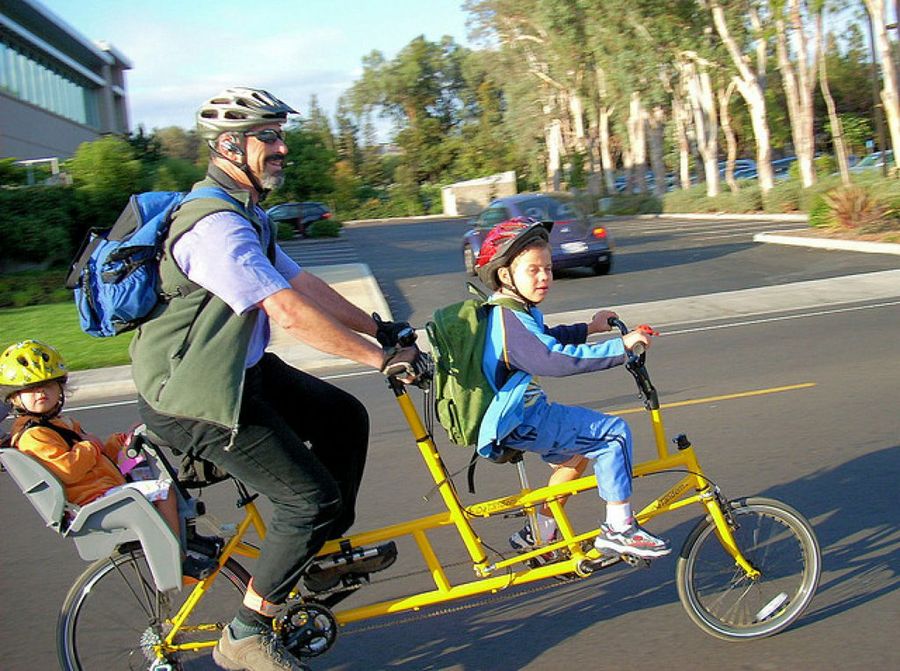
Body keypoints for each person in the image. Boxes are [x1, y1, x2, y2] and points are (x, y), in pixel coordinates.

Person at [129, 87, 427, 671]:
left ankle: (306, 557)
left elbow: (302, 285)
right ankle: (243, 634)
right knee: (308, 499)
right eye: (268, 136)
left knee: (344, 418)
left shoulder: (246, 214)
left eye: (279, 134)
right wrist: (376, 360)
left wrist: (380, 329)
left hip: (239, 373)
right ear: (229, 146)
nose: (281, 146)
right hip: (197, 398)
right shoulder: (214, 228)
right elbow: (285, 312)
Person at [474, 218, 671, 563]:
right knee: (613, 435)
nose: (544, 277)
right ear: (505, 275)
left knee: (576, 455)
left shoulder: (515, 311)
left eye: (548, 268)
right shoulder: (508, 320)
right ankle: (619, 529)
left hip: (518, 415)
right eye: (533, 270)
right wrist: (620, 347)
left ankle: (540, 532)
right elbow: (552, 359)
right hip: (522, 417)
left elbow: (546, 338)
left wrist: (590, 329)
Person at [0, 340, 216, 580]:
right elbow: (70, 469)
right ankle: (179, 559)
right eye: (31, 388)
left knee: (156, 472)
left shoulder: (55, 425)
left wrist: (118, 443)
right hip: (92, 500)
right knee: (163, 491)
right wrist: (91, 445)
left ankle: (187, 536)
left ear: (60, 388)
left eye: (48, 385)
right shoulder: (34, 435)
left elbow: (95, 458)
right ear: (14, 397)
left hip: (100, 491)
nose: (41, 393)